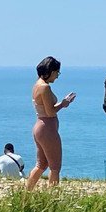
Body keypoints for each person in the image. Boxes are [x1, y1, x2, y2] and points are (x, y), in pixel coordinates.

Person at [26, 56, 76, 190]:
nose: (57, 76)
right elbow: (50, 111)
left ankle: (26, 192)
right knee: (55, 166)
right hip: (47, 128)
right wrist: (64, 104)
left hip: (40, 127)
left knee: (41, 164)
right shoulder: (45, 87)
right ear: (50, 71)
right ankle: (53, 196)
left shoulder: (37, 85)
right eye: (56, 72)